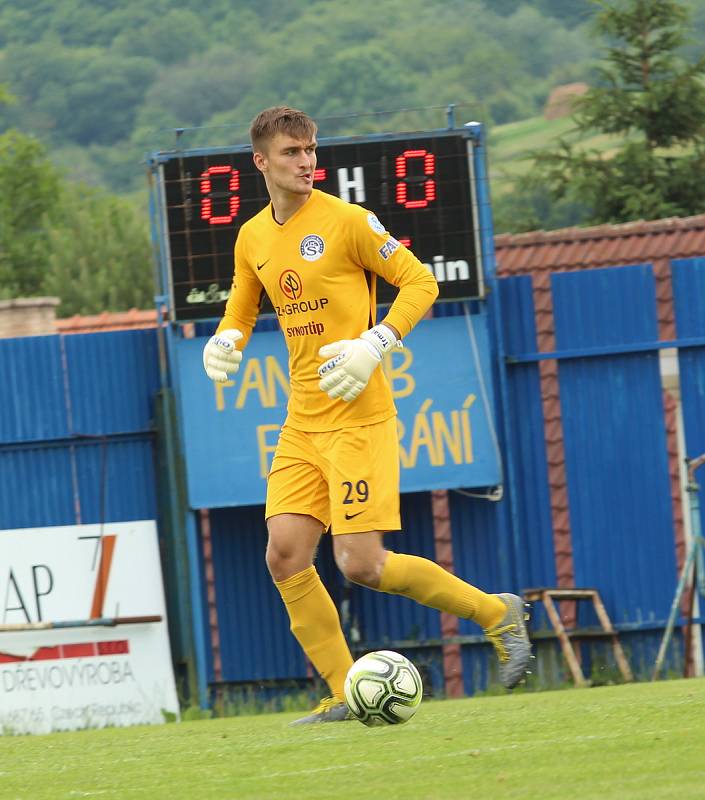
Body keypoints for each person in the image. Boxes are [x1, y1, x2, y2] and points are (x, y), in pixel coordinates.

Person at [202, 106, 531, 724]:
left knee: (361, 565)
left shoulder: (347, 220)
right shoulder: (252, 236)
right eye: (293, 152)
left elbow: (421, 282)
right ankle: (341, 693)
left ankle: (496, 613)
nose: (307, 162)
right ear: (262, 161)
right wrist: (225, 340)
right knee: (284, 554)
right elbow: (242, 308)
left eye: (310, 151)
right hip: (301, 422)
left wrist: (375, 343)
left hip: (360, 417)